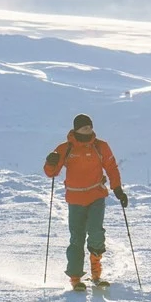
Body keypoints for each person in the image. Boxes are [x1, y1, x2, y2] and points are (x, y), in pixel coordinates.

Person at [44, 113, 127, 289]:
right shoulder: (65, 148)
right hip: (74, 199)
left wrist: (117, 189)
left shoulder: (100, 146)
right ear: (76, 129)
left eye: (90, 126)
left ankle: (96, 274)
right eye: (84, 127)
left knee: (96, 232)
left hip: (96, 196)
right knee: (77, 238)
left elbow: (111, 168)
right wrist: (50, 162)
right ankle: (75, 279)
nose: (88, 129)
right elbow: (51, 173)